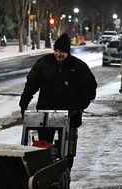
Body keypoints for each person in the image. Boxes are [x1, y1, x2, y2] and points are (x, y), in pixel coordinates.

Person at [19, 33, 97, 170]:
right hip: (46, 113)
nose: (59, 54)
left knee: (67, 150)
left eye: (62, 52)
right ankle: (44, 173)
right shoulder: (44, 63)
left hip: (70, 115)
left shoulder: (78, 66)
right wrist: (24, 102)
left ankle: (64, 174)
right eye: (56, 51)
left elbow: (89, 89)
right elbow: (32, 83)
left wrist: (78, 108)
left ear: (68, 52)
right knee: (43, 147)